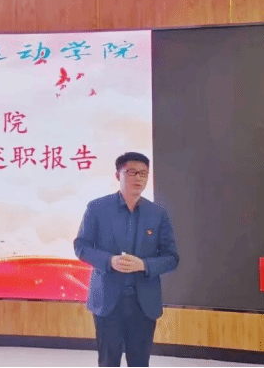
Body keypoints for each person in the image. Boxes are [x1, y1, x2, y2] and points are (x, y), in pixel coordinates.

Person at [74, 152, 179, 367]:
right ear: (118, 175)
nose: (138, 178)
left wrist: (144, 265)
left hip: (143, 303)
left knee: (140, 362)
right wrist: (109, 261)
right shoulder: (97, 208)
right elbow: (81, 246)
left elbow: (171, 258)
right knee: (108, 361)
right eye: (132, 172)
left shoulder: (158, 214)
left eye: (143, 173)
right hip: (108, 301)